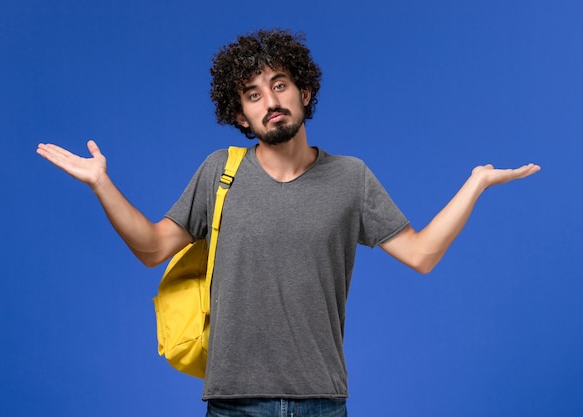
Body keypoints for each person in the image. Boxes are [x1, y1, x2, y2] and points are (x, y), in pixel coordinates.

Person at [36, 29, 540, 417]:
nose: (271, 101)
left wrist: (475, 183)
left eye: (280, 86)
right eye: (253, 95)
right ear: (241, 116)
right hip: (233, 401)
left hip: (322, 400)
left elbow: (422, 254)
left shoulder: (351, 177)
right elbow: (151, 248)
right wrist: (102, 183)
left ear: (304, 92)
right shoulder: (220, 172)